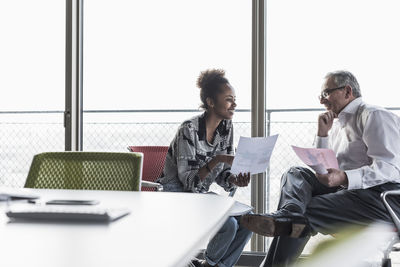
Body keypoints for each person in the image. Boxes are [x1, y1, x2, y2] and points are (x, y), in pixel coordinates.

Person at [240, 70, 400, 266]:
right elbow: (324, 167)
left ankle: (285, 232)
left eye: (326, 93)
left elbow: (390, 168)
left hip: (382, 200)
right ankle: (289, 213)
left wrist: (344, 178)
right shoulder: (337, 124)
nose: (322, 101)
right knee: (295, 174)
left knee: (305, 214)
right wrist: (322, 134)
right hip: (352, 193)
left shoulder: (374, 115)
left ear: (347, 91)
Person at [157, 69, 252, 267]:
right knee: (228, 225)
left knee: (249, 220)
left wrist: (234, 179)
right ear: (210, 102)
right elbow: (190, 184)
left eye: (234, 99)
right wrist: (218, 159)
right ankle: (209, 265)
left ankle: (210, 266)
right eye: (228, 99)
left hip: (199, 196)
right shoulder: (188, 130)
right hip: (176, 194)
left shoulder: (226, 127)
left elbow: (223, 175)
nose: (234, 104)